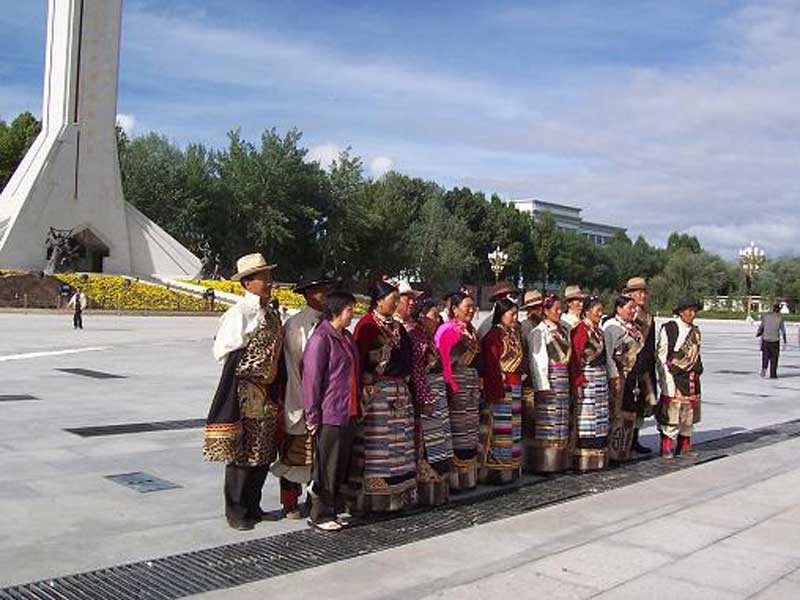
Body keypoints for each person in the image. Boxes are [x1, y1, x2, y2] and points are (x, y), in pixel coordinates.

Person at [203, 253, 283, 531]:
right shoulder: (240, 313)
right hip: (248, 390)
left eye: (269, 276)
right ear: (248, 283)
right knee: (243, 452)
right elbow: (224, 353)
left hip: (267, 391)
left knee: (262, 451)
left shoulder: (270, 312)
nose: (269, 282)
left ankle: (253, 505)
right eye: (263, 277)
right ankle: (236, 510)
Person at [272, 270, 338, 520]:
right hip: (299, 396)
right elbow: (298, 365)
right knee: (294, 454)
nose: (326, 296)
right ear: (309, 294)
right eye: (322, 291)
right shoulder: (297, 325)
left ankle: (315, 500)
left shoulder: (329, 322)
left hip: (325, 399)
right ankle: (289, 502)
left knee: (318, 457)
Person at [350, 280, 417, 512]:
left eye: (398, 299)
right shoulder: (367, 325)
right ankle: (375, 499)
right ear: (378, 301)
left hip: (399, 394)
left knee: (400, 445)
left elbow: (408, 358)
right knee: (379, 445)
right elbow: (358, 362)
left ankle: (399, 497)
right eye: (393, 299)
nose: (397, 303)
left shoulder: (397, 328)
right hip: (377, 396)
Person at [301, 290, 360, 531]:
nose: (352, 314)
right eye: (349, 310)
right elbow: (311, 379)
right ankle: (320, 514)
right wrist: (312, 414)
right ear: (336, 311)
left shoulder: (345, 336)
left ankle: (335, 507)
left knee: (341, 464)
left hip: (348, 409)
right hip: (330, 412)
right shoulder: (321, 339)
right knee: (327, 465)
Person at [408, 296, 454, 505]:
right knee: (425, 443)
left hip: (435, 393)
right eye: (434, 316)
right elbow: (417, 371)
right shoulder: (416, 337)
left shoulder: (428, 336)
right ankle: (424, 489)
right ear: (421, 316)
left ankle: (437, 488)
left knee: (438, 441)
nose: (437, 320)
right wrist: (425, 398)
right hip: (425, 395)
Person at [436, 291, 481, 491]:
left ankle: (468, 478)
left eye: (473, 307)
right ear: (454, 309)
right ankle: (455, 480)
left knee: (469, 431)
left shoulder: (470, 330)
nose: (471, 311)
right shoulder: (446, 329)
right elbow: (444, 362)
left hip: (470, 385)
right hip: (456, 385)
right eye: (467, 307)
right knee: (456, 431)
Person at [479, 298, 524, 483]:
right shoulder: (494, 336)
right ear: (501, 314)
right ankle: (497, 469)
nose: (515, 318)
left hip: (515, 386)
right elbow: (491, 364)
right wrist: (496, 388)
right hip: (501, 387)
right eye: (511, 314)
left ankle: (512, 466)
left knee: (514, 429)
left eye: (516, 314)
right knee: (500, 429)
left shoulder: (513, 333)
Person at [529, 295, 573, 472]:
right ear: (545, 311)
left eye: (560, 308)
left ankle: (560, 460)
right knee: (549, 419)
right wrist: (542, 386)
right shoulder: (539, 332)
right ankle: (547, 462)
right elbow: (537, 361)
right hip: (551, 378)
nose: (559, 311)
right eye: (555, 309)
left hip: (563, 378)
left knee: (562, 418)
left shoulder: (564, 330)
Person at [656, 298, 703, 459]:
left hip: (691, 379)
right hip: (673, 377)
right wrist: (666, 379)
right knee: (672, 416)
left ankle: (684, 446)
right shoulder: (670, 328)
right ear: (680, 312)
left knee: (688, 416)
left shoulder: (695, 331)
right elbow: (662, 357)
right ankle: (666, 446)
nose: (691, 313)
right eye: (688, 310)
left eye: (693, 310)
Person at [568, 295, 609, 471]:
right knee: (587, 417)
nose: (600, 313)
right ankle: (583, 458)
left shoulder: (599, 331)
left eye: (601, 310)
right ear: (587, 311)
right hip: (587, 377)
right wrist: (578, 381)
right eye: (597, 310)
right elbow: (575, 358)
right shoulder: (581, 330)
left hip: (600, 377)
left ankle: (598, 457)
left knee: (599, 418)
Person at [602, 295, 643, 462]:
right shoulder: (611, 327)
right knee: (615, 411)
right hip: (618, 375)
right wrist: (614, 376)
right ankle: (610, 452)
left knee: (628, 409)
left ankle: (623, 450)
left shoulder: (633, 327)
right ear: (618, 309)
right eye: (629, 308)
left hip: (632, 376)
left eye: (634, 308)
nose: (633, 311)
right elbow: (609, 355)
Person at [622, 277, 657, 454]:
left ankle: (634, 439)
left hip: (645, 366)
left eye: (644, 292)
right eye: (638, 292)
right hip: (628, 366)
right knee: (626, 405)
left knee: (641, 406)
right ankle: (623, 441)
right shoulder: (627, 315)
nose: (642, 295)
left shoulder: (649, 317)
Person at [519, 290, 543, 472]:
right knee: (529, 418)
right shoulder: (526, 326)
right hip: (528, 379)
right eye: (535, 308)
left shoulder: (541, 325)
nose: (539, 310)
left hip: (538, 377)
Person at [757, 303, 787, 379]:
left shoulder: (766, 316)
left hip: (766, 340)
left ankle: (764, 368)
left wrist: (759, 333)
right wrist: (785, 341)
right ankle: (773, 374)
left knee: (765, 356)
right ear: (779, 310)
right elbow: (783, 331)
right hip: (775, 341)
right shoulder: (779, 318)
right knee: (774, 358)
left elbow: (761, 327)